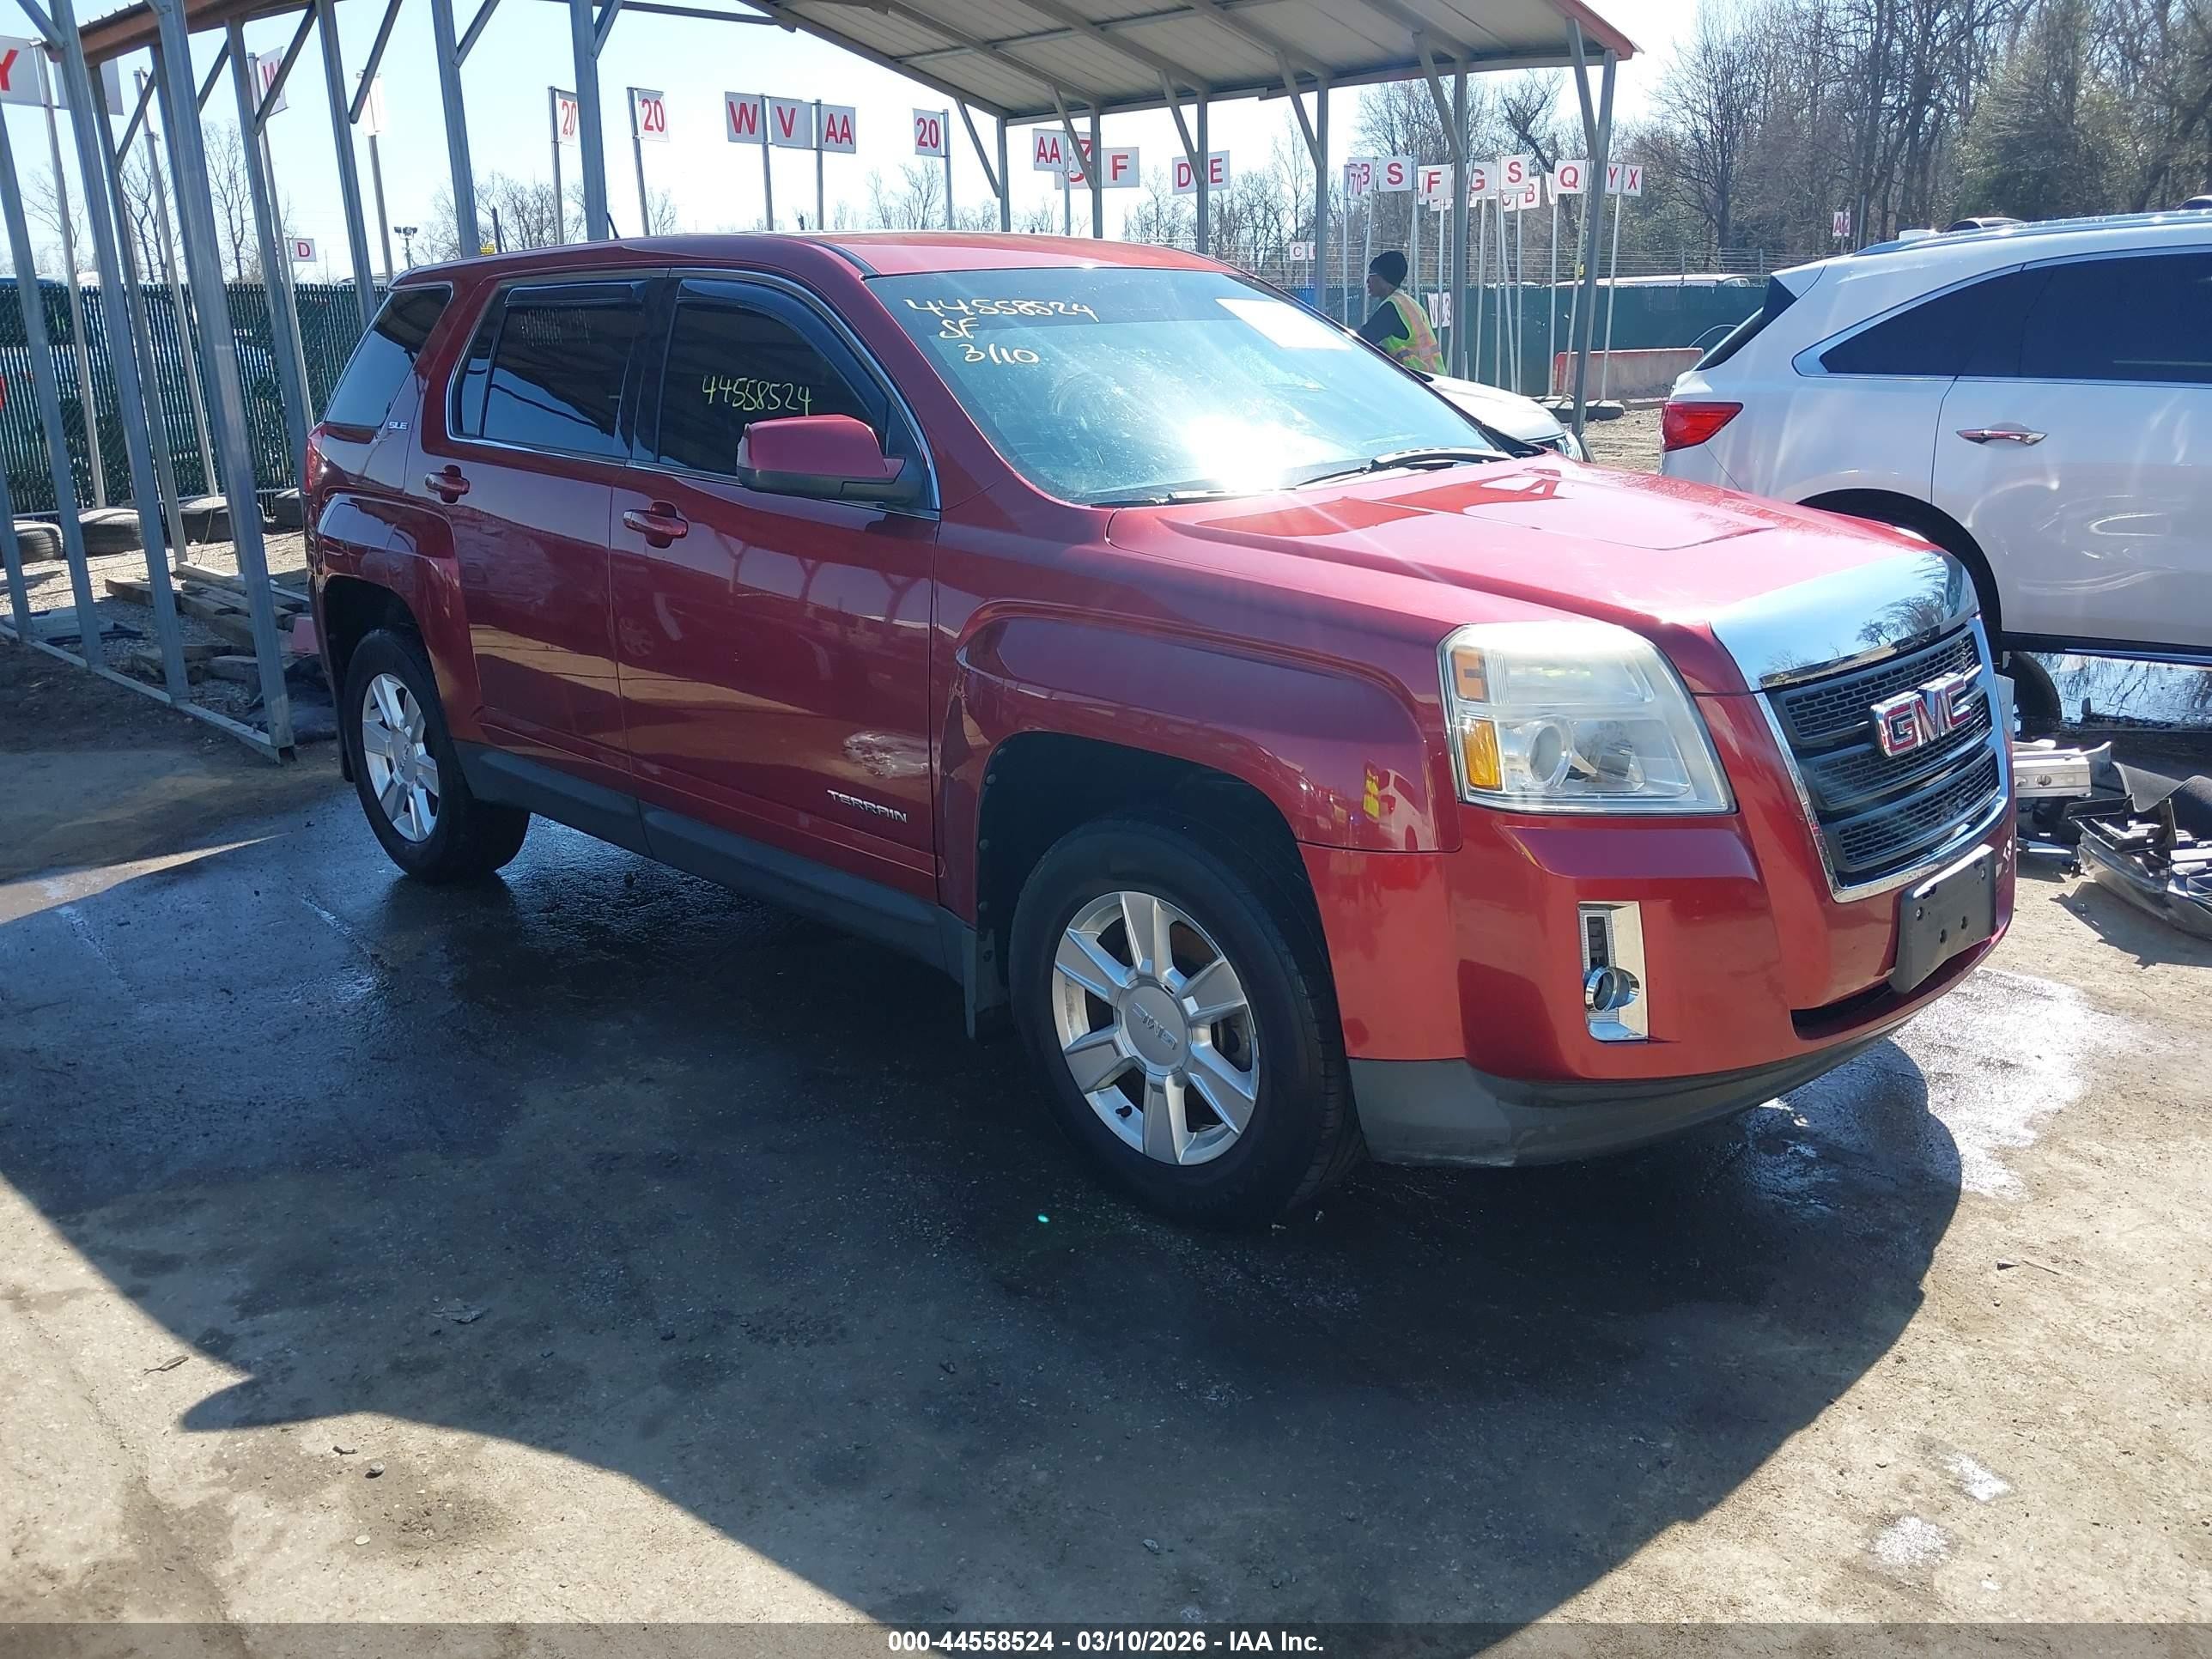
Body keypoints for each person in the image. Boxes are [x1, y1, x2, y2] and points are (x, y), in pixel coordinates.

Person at [1356, 250, 1443, 373]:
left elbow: (1360, 341)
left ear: (1384, 279)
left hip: (1417, 382)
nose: (1367, 281)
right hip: (1433, 379)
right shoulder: (1409, 303)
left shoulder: (1392, 308)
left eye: (1371, 274)